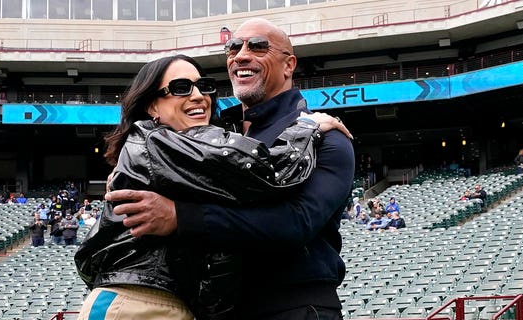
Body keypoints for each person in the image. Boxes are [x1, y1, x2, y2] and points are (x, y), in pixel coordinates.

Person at [100, 18, 355, 320]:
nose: (241, 55)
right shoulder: (208, 142)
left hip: (293, 306)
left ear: (289, 65)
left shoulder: (327, 136)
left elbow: (297, 222)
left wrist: (180, 216)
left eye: (258, 46)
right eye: (233, 47)